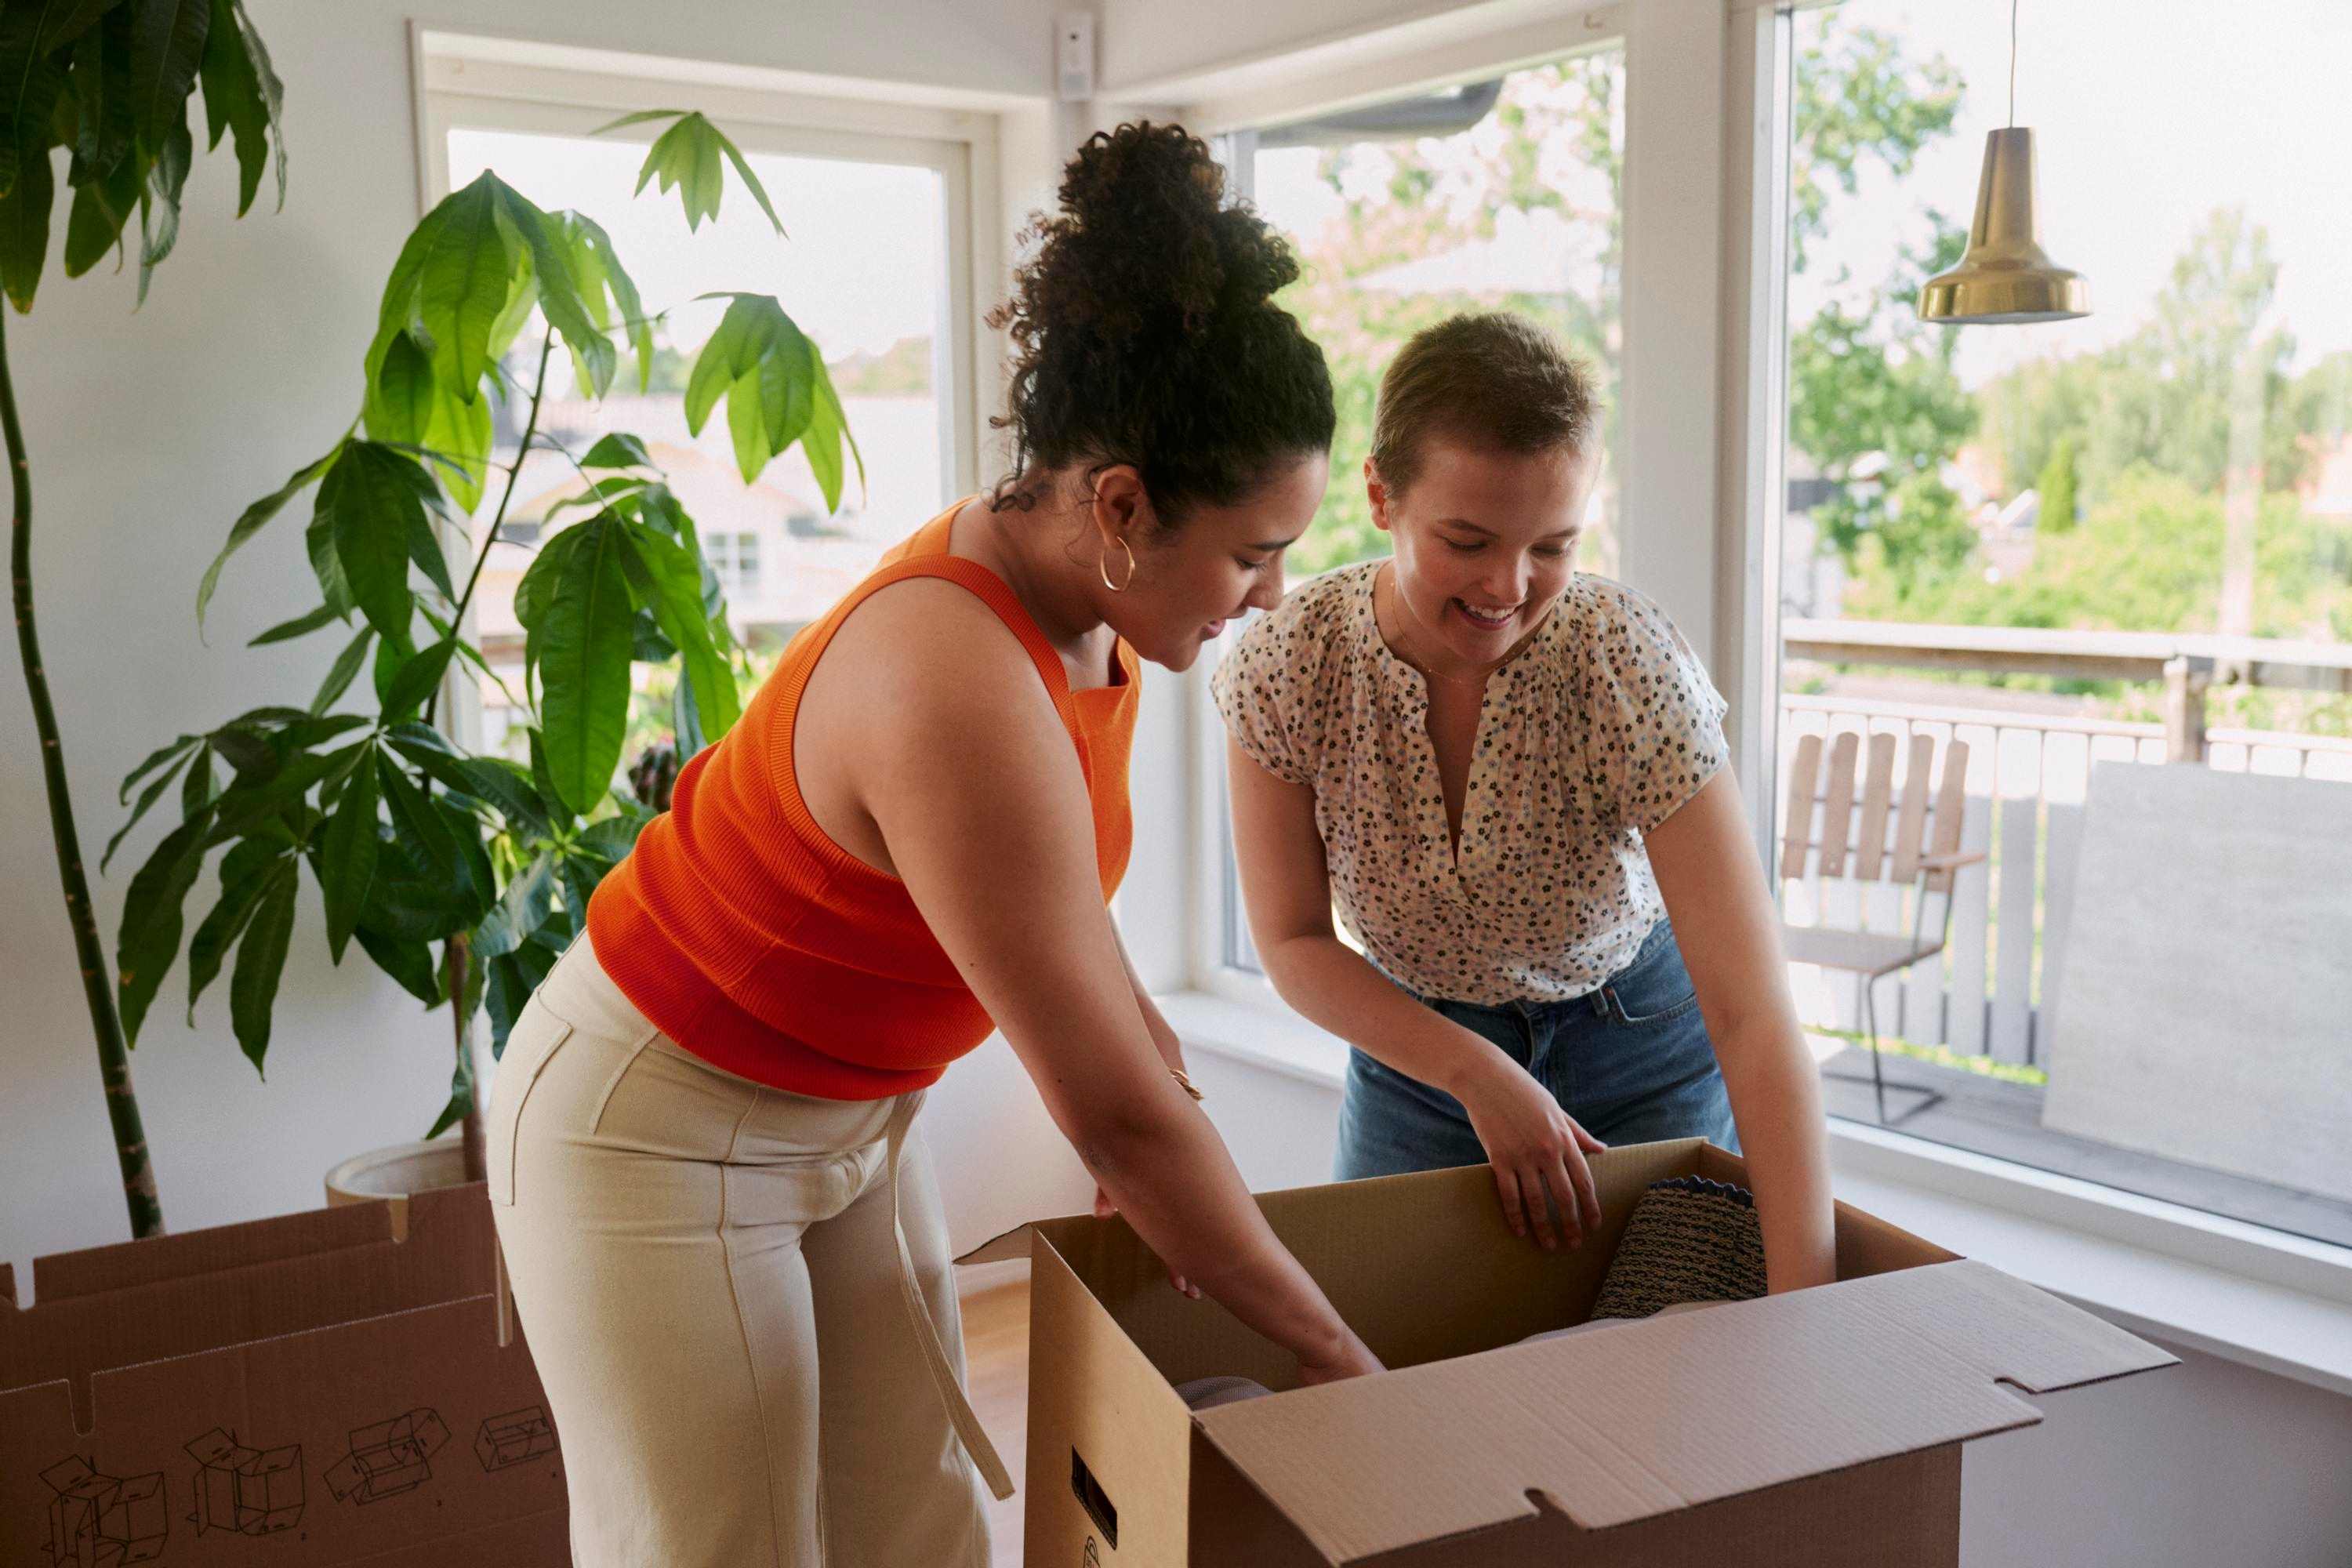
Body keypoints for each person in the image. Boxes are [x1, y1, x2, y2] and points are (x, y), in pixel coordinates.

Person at [488, 123, 1381, 1568]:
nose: (1273, 597)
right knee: (730, 1548)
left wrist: (1141, 1048)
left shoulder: (1100, 615)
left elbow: (1050, 914)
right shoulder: (951, 676)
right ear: (1121, 506)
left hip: (852, 1120)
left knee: (923, 1523)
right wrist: (1342, 1356)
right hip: (652, 1124)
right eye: (1252, 554)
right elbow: (1116, 1124)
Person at [1214, 312, 1835, 1293]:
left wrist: (1809, 1307)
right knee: (1392, 1378)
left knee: (1659, 1382)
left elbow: (1755, 1016)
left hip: (1647, 1051)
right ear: (1380, 493)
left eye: (1553, 545)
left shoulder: (1623, 659)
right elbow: (1292, 941)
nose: (1509, 586)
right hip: (1415, 1052)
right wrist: (1474, 1070)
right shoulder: (1293, 661)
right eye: (1466, 539)